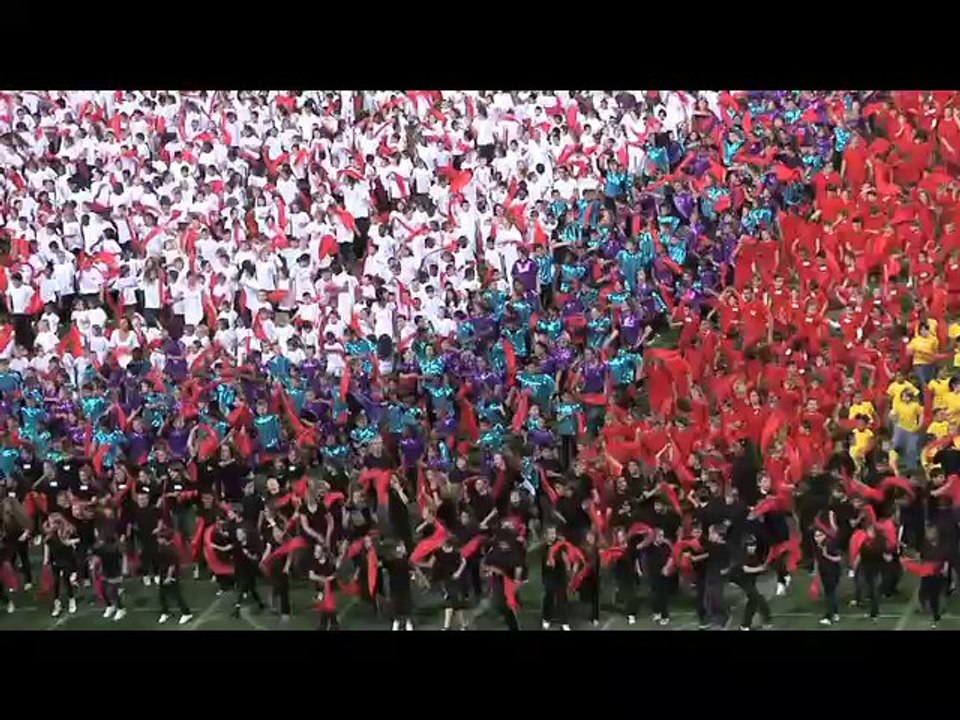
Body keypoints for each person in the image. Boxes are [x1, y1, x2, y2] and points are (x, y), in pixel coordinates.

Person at [157, 527, 193, 625]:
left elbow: (172, 566)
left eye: (160, 538)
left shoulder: (170, 550)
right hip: (163, 574)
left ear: (165, 539)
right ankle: (165, 612)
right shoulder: (163, 548)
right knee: (162, 595)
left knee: (176, 595)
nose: (158, 540)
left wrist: (169, 577)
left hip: (171, 576)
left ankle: (187, 613)